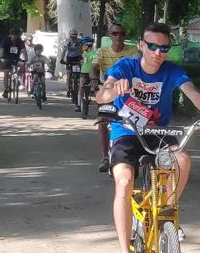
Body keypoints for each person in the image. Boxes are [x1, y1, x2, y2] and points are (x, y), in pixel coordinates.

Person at [96, 22, 200, 253]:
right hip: (126, 132)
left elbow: (193, 93)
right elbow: (101, 95)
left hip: (158, 132)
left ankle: (166, 212)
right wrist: (113, 90)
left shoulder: (172, 71)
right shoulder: (126, 68)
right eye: (152, 46)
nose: (158, 52)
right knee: (124, 182)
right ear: (142, 46)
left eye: (163, 47)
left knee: (183, 160)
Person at [91, 24, 140, 172]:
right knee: (102, 121)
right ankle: (105, 157)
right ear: (109, 35)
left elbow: (139, 69)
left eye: (121, 33)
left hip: (128, 93)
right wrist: (93, 79)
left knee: (136, 121)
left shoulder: (132, 51)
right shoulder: (101, 51)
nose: (118, 36)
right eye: (115, 33)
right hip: (108, 93)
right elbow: (93, 68)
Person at [0, 28, 27, 98]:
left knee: (23, 65)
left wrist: (26, 59)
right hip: (6, 59)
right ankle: (6, 90)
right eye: (14, 36)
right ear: (11, 35)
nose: (15, 38)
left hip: (16, 59)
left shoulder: (20, 42)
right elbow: (2, 50)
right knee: (6, 73)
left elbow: (23, 50)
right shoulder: (5, 41)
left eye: (17, 36)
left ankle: (18, 77)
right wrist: (1, 58)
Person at [60, 28, 82, 98]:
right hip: (69, 58)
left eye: (75, 35)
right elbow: (64, 51)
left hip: (78, 57)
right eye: (72, 35)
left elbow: (83, 49)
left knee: (80, 73)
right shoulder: (67, 41)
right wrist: (62, 59)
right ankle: (68, 89)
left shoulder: (79, 41)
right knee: (69, 74)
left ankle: (79, 86)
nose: (73, 37)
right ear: (70, 35)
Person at [76, 36, 96, 113]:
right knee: (81, 87)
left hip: (92, 73)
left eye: (83, 45)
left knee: (95, 88)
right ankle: (78, 104)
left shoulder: (94, 53)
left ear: (88, 45)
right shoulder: (84, 53)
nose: (82, 47)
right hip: (83, 72)